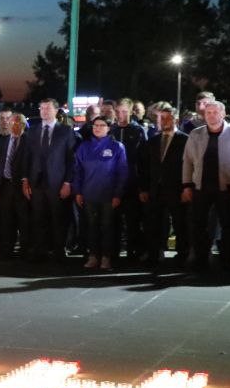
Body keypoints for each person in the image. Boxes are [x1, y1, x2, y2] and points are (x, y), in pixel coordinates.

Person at [181, 100, 230, 271]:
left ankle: (227, 258)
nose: (211, 115)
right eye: (208, 112)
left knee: (227, 223)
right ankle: (200, 257)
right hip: (200, 186)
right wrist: (187, 185)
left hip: (226, 187)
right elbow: (187, 161)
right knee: (198, 223)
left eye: (215, 112)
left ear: (223, 114)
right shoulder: (196, 134)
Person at [21, 98, 78, 263]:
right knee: (38, 217)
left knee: (58, 218)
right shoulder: (32, 131)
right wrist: (25, 180)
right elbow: (27, 157)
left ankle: (59, 250)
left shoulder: (66, 131)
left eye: (47, 108)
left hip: (58, 182)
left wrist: (68, 182)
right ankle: (40, 250)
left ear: (56, 110)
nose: (44, 111)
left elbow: (71, 160)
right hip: (36, 182)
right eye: (41, 108)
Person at [73, 117, 129, 270]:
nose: (97, 128)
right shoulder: (84, 147)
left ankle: (106, 257)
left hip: (109, 195)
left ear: (109, 128)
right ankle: (93, 256)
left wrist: (118, 194)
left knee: (107, 226)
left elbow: (122, 172)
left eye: (101, 125)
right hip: (89, 194)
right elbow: (77, 171)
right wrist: (78, 191)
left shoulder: (117, 147)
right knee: (91, 226)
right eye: (95, 125)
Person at [138, 106, 189, 267]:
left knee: (180, 223)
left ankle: (183, 254)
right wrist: (144, 188)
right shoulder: (152, 141)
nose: (164, 121)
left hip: (177, 189)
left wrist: (187, 188)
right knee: (154, 222)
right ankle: (155, 252)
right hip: (155, 189)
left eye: (167, 118)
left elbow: (189, 165)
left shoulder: (185, 140)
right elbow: (144, 167)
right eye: (161, 118)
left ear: (176, 120)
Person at [110, 99, 147, 260]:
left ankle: (134, 252)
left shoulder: (138, 130)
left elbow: (144, 159)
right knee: (113, 220)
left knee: (133, 220)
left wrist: (142, 186)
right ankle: (114, 252)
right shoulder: (111, 130)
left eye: (124, 111)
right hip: (112, 183)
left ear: (131, 112)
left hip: (133, 183)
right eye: (118, 111)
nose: (121, 115)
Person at [0, 113, 29, 259]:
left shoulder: (28, 141)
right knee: (6, 219)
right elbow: (0, 164)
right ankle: (7, 248)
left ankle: (25, 249)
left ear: (22, 124)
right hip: (5, 185)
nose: (11, 124)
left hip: (21, 185)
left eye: (15, 122)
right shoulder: (3, 141)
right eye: (10, 122)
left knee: (24, 219)